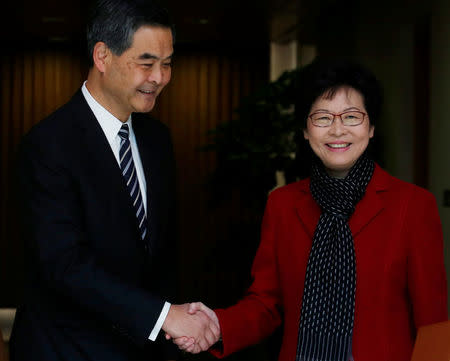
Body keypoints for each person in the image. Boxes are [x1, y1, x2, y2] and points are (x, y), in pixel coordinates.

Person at [172, 59, 448, 361]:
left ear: (371, 128)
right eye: (322, 118)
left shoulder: (413, 206)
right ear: (305, 130)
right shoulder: (283, 204)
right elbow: (267, 304)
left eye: (352, 117)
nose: (337, 129)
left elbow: (432, 323)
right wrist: (218, 325)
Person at [10, 0, 219, 360]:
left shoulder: (157, 140)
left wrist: (177, 324)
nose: (159, 77)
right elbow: (64, 264)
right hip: (66, 349)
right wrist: (163, 316)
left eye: (167, 64)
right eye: (147, 63)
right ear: (103, 56)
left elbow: (161, 259)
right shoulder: (47, 145)